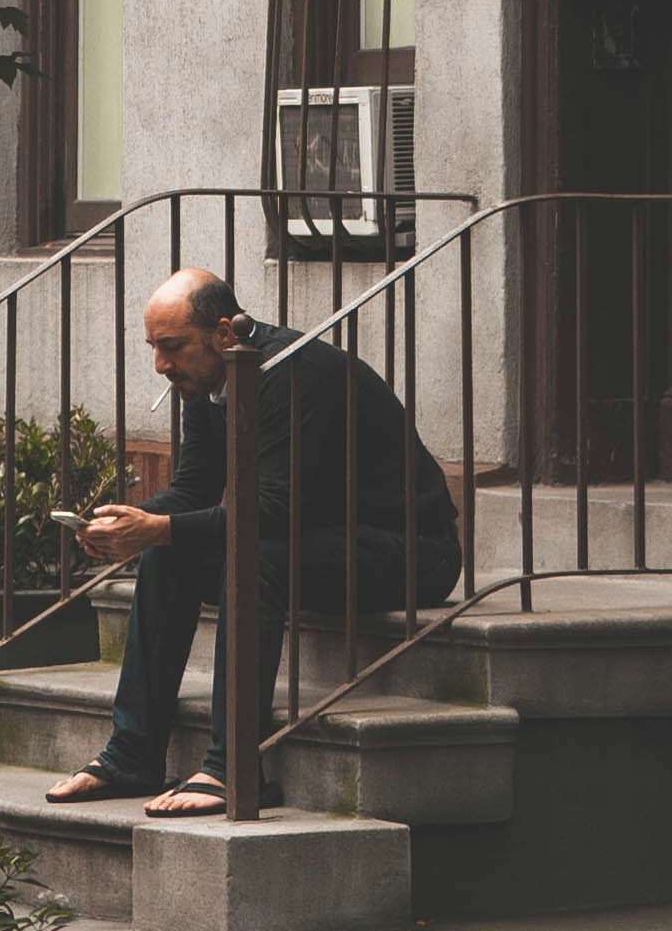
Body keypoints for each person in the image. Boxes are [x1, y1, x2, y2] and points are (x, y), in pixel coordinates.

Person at [48, 264, 458, 817]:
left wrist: (158, 530)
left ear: (223, 332)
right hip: (317, 540)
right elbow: (194, 489)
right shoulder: (207, 376)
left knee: (254, 559)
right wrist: (131, 522)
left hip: (409, 550)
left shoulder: (294, 373)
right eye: (154, 347)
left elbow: (271, 511)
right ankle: (132, 755)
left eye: (172, 347)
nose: (161, 364)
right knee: (169, 558)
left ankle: (232, 765)